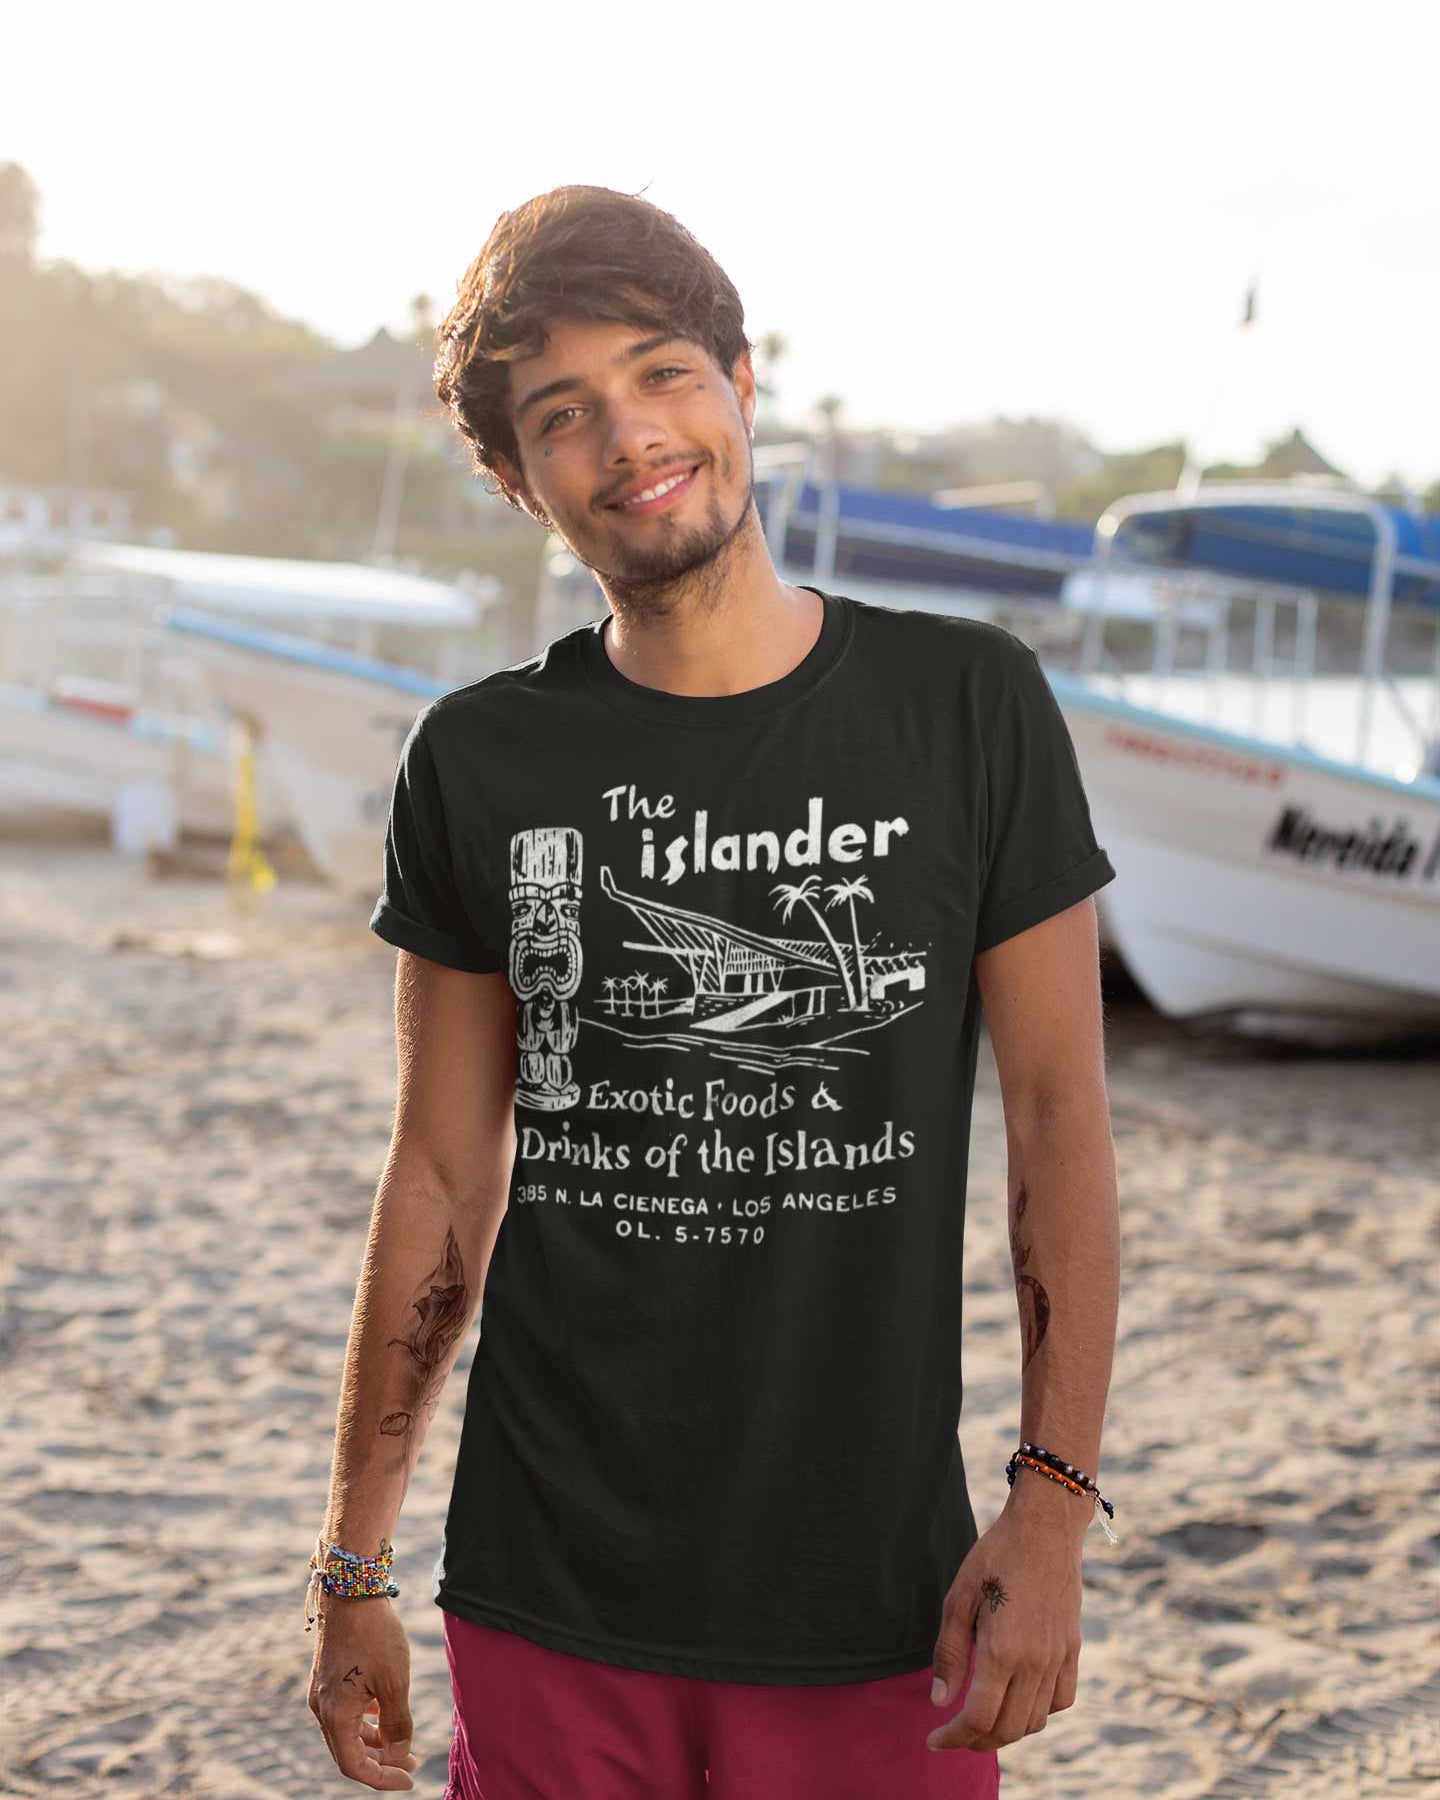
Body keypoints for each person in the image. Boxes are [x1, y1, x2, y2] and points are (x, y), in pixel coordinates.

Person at [305, 184, 1121, 1799]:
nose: (631, 436)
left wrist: (1050, 1502)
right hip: (549, 1589)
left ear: (743, 385)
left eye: (663, 373)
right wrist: (352, 1565)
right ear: (519, 476)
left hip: (882, 1598)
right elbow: (444, 1175)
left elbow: (1058, 1124)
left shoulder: (967, 705)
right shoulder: (479, 757)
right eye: (565, 414)